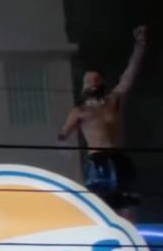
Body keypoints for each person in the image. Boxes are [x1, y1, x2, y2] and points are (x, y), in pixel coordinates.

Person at [58, 25, 147, 218]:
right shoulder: (80, 111)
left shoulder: (112, 100)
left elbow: (128, 77)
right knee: (99, 208)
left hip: (118, 159)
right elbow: (63, 136)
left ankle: (128, 239)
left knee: (126, 205)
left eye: (95, 80)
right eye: (89, 80)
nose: (93, 83)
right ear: (84, 86)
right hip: (97, 162)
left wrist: (140, 47)